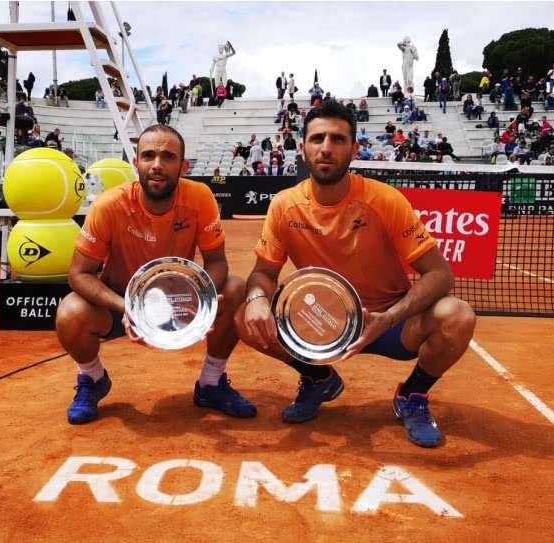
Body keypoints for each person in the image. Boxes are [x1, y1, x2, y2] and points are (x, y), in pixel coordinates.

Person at [235, 101, 476, 448]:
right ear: (303, 148)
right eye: (317, 138)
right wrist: (258, 298)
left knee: (458, 316)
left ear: (354, 148)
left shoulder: (384, 200)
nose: (326, 148)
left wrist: (388, 317)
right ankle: (319, 379)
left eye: (338, 139)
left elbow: (439, 274)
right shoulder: (284, 205)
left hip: (389, 323)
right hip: (319, 326)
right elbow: (263, 272)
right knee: (245, 316)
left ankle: (412, 394)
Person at [56, 124, 257, 425]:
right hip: (121, 307)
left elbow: (217, 263)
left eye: (168, 156)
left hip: (180, 303)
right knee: (70, 312)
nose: (157, 165)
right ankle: (92, 378)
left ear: (183, 165)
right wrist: (129, 307)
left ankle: (211, 383)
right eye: (148, 155)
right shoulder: (109, 205)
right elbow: (79, 274)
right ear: (136, 162)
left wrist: (197, 299)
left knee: (235, 288)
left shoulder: (200, 197)